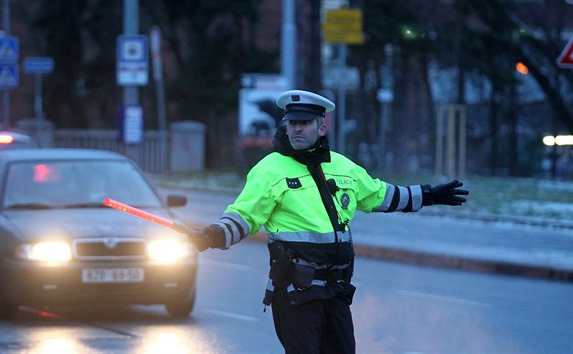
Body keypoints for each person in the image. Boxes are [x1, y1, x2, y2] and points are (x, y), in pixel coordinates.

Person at [189, 89, 469, 354]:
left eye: (305, 122)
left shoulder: (343, 166)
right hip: (296, 292)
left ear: (322, 127)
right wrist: (215, 234)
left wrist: (428, 195)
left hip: (336, 291)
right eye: (292, 122)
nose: (297, 128)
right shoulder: (269, 169)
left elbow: (380, 195)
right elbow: (245, 215)